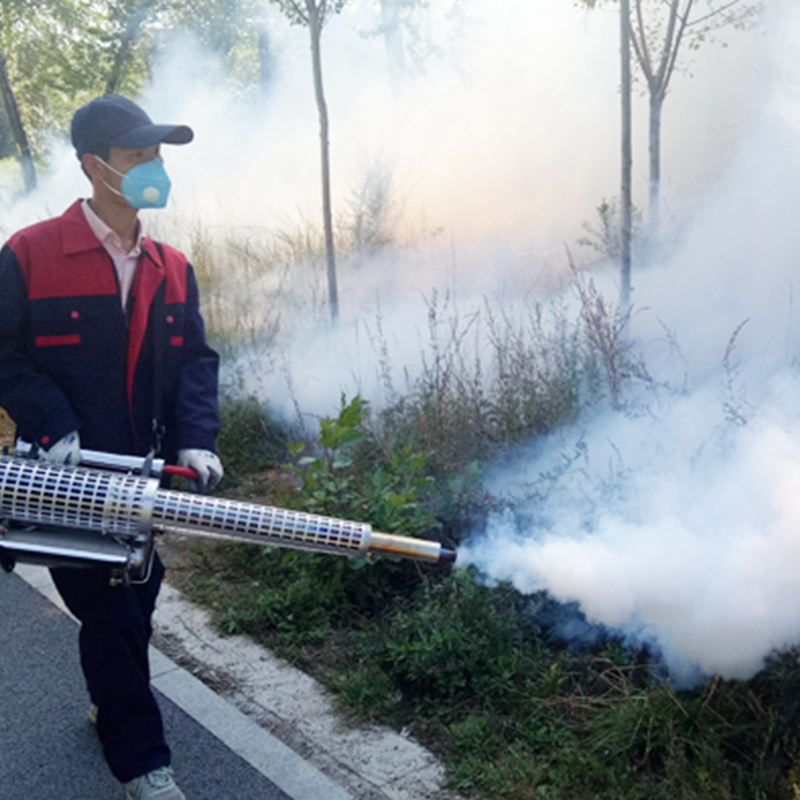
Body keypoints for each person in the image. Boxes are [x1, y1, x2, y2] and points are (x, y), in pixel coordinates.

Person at [0, 94, 224, 800]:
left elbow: (194, 363)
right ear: (96, 167)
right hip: (67, 479)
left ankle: (110, 696)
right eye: (138, 157)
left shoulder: (173, 266)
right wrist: (50, 422)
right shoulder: (30, 255)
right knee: (111, 606)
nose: (155, 169)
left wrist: (198, 440)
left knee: (139, 594)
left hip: (144, 480)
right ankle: (142, 763)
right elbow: (3, 352)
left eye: (158, 157)